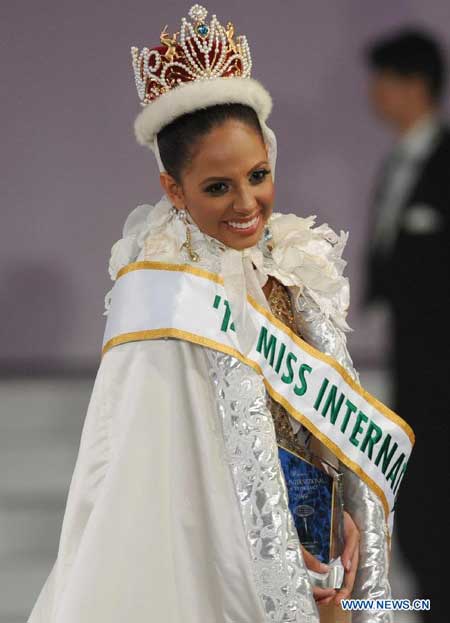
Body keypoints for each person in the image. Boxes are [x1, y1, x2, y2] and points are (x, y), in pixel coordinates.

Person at [27, 5, 409, 622]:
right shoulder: (163, 289)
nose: (247, 203)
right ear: (173, 189)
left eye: (258, 175)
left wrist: (341, 519)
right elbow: (163, 479)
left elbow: (313, 425)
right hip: (225, 568)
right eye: (217, 187)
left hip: (321, 558)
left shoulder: (289, 265)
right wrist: (276, 559)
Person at [363, 28, 449, 618]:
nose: (373, 94)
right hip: (411, 371)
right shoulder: (397, 161)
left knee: (431, 507)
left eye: (383, 81)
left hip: (444, 374)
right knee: (416, 509)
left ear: (414, 84)